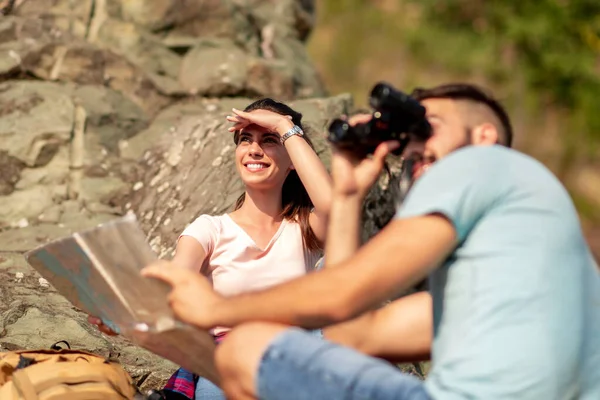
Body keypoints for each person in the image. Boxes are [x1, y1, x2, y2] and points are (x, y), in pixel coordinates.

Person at [142, 83, 600, 400]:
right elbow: (351, 335)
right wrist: (346, 193)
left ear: (485, 136)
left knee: (247, 348)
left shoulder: (484, 162)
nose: (415, 144)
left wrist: (218, 311)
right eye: (408, 136)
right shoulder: (486, 291)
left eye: (429, 125)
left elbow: (351, 289)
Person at [90, 98, 332, 399]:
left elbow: (336, 208)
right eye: (245, 139)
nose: (254, 149)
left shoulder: (304, 228)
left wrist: (285, 126)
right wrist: (123, 317)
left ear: (292, 158)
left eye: (269, 140)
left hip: (296, 359)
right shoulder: (208, 229)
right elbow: (171, 290)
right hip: (228, 365)